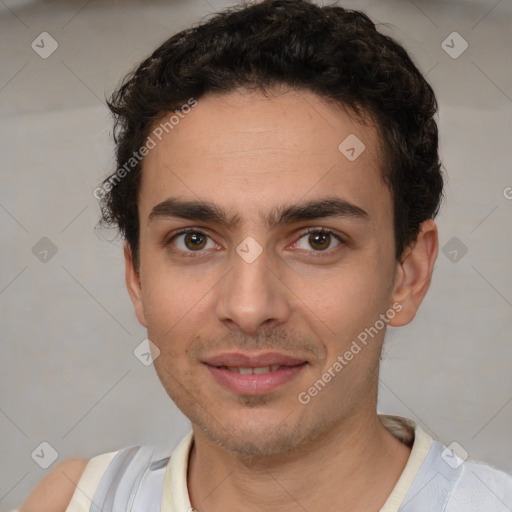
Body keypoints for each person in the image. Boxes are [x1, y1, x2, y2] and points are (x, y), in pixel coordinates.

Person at [18, 0, 512, 510]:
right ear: (137, 279)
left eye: (318, 239)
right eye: (194, 240)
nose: (250, 308)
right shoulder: (75, 502)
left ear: (407, 275)